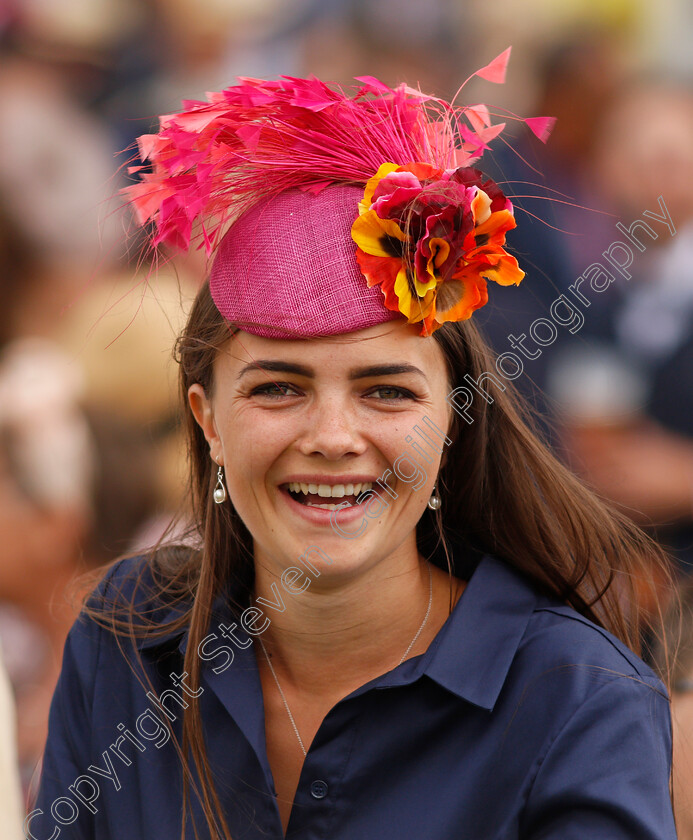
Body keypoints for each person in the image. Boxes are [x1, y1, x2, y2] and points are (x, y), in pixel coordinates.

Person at [29, 52, 678, 839]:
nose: (333, 438)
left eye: (386, 391)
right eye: (277, 388)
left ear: (453, 424)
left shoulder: (578, 697)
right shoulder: (128, 637)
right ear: (207, 420)